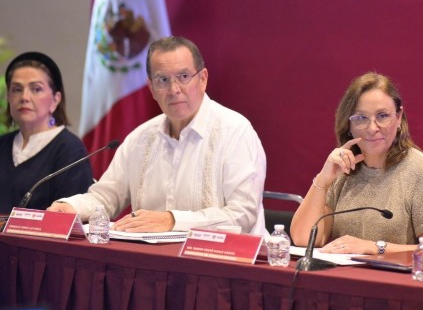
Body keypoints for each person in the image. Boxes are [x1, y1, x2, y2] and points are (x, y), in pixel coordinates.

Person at [48, 36, 267, 234]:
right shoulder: (140, 139)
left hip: (225, 262)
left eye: (184, 76)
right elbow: (106, 197)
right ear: (151, 88)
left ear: (203, 79)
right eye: (162, 80)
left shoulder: (235, 132)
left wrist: (172, 220)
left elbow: (242, 215)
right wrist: (70, 207)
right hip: (154, 261)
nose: (174, 89)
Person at [290, 72, 423, 255]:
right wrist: (323, 180)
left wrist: (374, 247)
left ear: (399, 117)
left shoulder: (421, 171)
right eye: (361, 118)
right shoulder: (343, 168)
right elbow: (303, 239)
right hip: (342, 273)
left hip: (396, 274)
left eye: (382, 116)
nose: (372, 128)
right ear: (349, 125)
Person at [0, 52, 93, 212]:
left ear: (56, 99)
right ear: (8, 97)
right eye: (17, 89)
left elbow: (69, 218)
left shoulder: (69, 150)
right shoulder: (2, 144)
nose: (24, 97)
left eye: (36, 89)